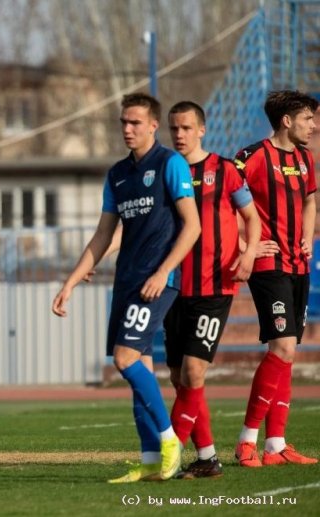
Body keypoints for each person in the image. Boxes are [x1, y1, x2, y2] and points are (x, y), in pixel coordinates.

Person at [52, 93, 201, 483]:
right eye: (123, 122)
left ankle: (170, 442)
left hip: (158, 281)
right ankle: (153, 461)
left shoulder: (170, 164)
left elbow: (192, 226)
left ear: (153, 125)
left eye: (135, 122)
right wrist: (70, 281)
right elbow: (104, 234)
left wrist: (163, 272)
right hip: (127, 281)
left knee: (124, 359)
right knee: (139, 369)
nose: (127, 129)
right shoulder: (117, 174)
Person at [163, 101, 261, 478]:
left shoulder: (225, 171)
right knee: (178, 377)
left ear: (202, 130)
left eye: (186, 128)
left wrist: (249, 253)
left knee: (193, 371)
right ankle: (206, 458)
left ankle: (161, 456)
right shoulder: (167, 173)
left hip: (214, 287)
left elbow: (251, 218)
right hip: (173, 288)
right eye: (174, 129)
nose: (180, 135)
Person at [233, 90, 318, 467]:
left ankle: (276, 444)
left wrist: (307, 236)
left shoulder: (305, 159)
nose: (314, 126)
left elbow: (311, 201)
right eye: (308, 119)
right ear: (287, 120)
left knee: (286, 353)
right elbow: (223, 202)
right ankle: (247, 440)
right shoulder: (250, 157)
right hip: (269, 265)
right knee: (282, 348)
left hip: (298, 265)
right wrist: (244, 245)